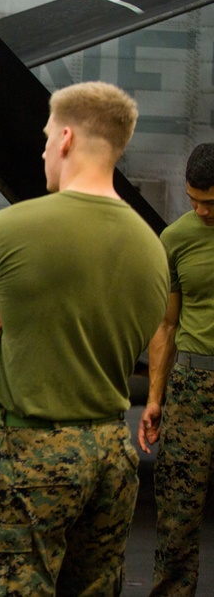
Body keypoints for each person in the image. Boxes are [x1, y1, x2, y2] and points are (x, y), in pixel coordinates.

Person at [0, 81, 169, 595]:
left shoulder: (10, 227)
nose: (44, 148)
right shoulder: (152, 246)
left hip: (27, 450)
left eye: (48, 136)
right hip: (111, 452)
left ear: (69, 139)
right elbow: (128, 335)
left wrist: (5, 329)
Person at [138, 142, 214, 596]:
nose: (202, 211)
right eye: (194, 201)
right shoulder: (177, 238)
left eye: (212, 202)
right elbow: (165, 326)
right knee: (178, 513)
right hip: (193, 386)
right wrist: (154, 399)